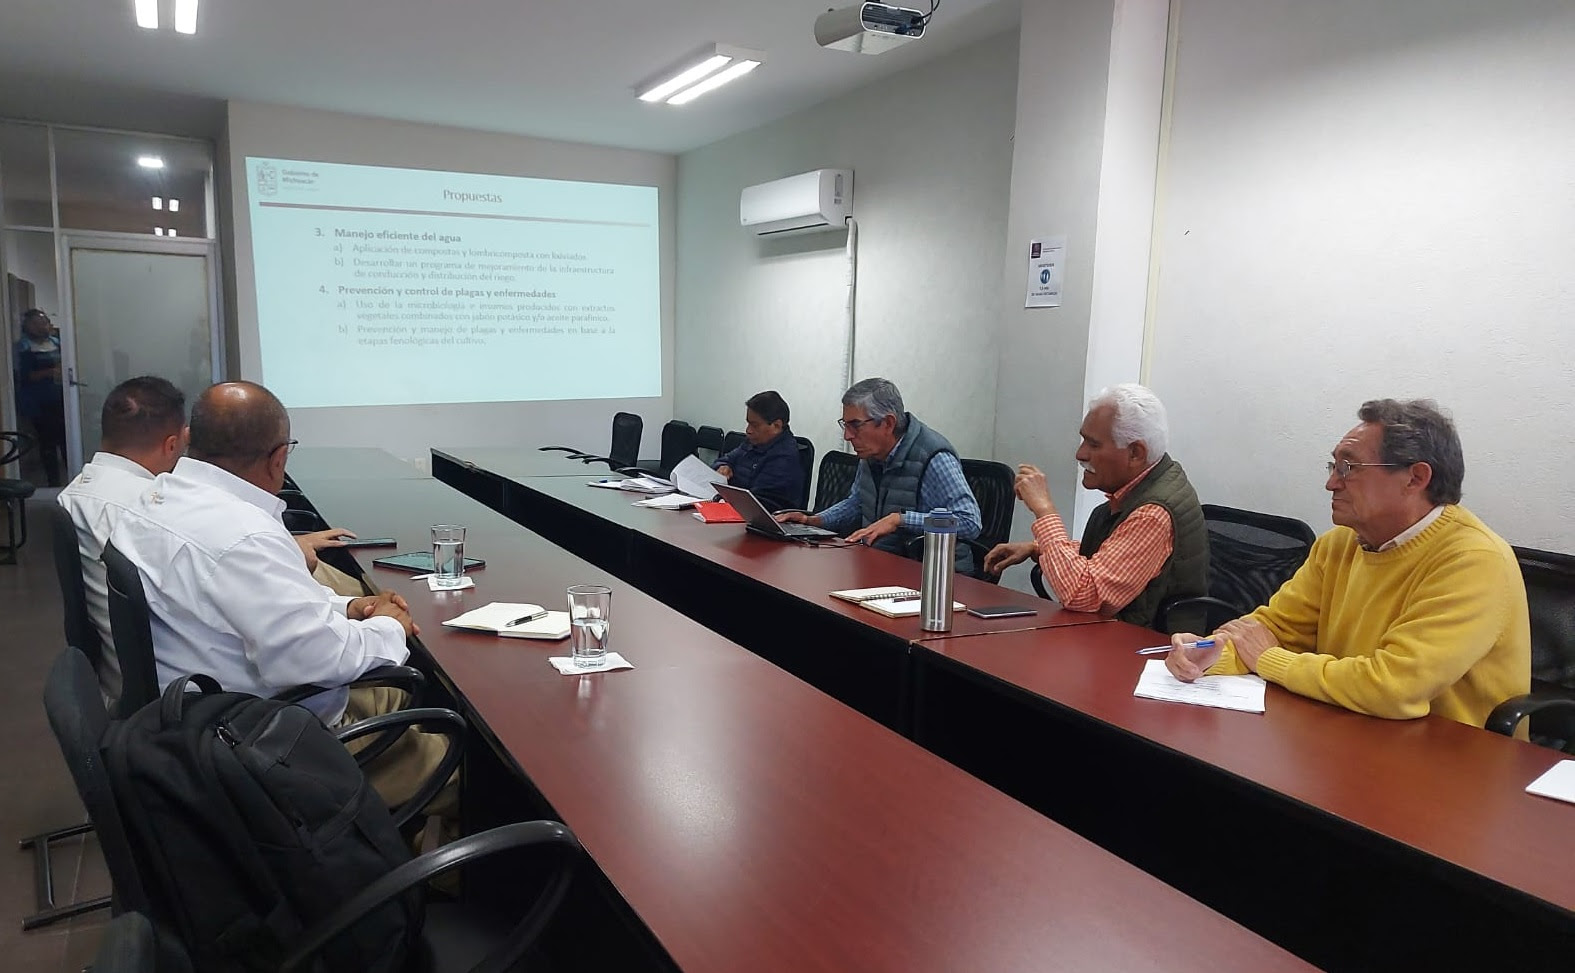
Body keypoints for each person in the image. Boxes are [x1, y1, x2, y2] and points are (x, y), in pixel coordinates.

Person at [108, 381, 452, 814]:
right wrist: (389, 626)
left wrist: (348, 607)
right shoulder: (242, 534)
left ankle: (386, 836)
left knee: (407, 694)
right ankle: (389, 842)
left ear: (192, 439)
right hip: (273, 747)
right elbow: (313, 659)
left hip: (199, 722)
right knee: (468, 771)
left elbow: (255, 602)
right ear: (278, 459)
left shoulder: (158, 499)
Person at [1166, 398, 1530, 729]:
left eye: (1348, 467)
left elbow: (1394, 686)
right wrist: (1209, 654)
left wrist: (1269, 660)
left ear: (1415, 478)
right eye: (1334, 466)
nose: (1331, 483)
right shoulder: (1340, 543)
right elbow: (1275, 629)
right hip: (1352, 727)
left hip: (1452, 758)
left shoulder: (1473, 562)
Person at [983, 384, 1208, 629]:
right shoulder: (1141, 491)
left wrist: (1044, 509)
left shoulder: (1154, 513)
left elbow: (1083, 594)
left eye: (1094, 444)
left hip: (1138, 647)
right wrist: (1038, 548)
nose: (1080, 454)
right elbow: (1113, 558)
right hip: (1107, 636)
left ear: (1135, 453)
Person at [58, 377, 186, 705]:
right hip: (174, 692)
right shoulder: (149, 506)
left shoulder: (75, 492)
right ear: (173, 444)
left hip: (118, 678)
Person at [777, 377, 982, 573]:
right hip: (881, 564)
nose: (847, 436)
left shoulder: (933, 458)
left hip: (934, 576)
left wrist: (901, 520)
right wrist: (814, 521)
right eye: (845, 425)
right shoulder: (872, 453)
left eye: (855, 425)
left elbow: (969, 523)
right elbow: (858, 503)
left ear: (888, 423)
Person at [713, 390, 804, 511]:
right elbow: (726, 459)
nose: (748, 430)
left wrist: (722, 496)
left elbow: (758, 502)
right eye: (748, 423)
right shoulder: (753, 442)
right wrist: (723, 465)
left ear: (776, 426)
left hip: (754, 515)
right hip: (733, 507)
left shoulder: (784, 457)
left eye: (755, 425)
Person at [13, 309, 67, 486]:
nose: (41, 327)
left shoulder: (56, 342)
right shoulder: (23, 347)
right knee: (47, 441)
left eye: (44, 323)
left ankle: (73, 478)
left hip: (61, 397)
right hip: (38, 401)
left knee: (66, 438)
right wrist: (51, 372)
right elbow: (24, 375)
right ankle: (53, 482)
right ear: (27, 326)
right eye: (36, 324)